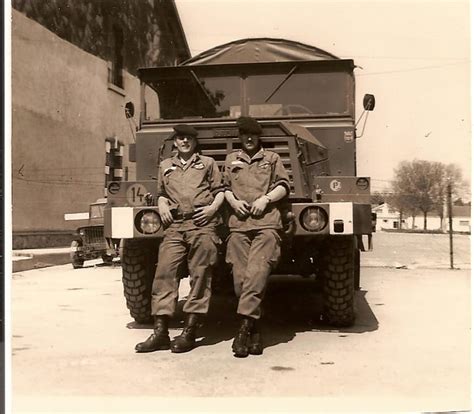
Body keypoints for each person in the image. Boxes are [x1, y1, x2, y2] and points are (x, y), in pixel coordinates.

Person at [135, 124, 224, 354]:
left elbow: (220, 190)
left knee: (200, 273)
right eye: (180, 138)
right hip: (174, 226)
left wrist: (213, 209)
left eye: (189, 139)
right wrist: (162, 203)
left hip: (201, 224)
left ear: (195, 142)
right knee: (164, 272)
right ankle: (161, 332)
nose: (184, 142)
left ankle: (190, 331)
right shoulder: (166, 166)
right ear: (175, 142)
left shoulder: (207, 164)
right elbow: (162, 193)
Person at [223, 116, 290, 358]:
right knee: (241, 279)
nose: (249, 138)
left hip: (266, 225)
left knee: (257, 273)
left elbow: (283, 185)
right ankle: (256, 328)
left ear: (258, 136)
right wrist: (232, 200)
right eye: (244, 134)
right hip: (239, 226)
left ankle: (243, 329)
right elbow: (224, 187)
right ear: (240, 137)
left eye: (252, 134)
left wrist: (266, 199)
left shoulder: (271, 159)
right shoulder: (232, 160)